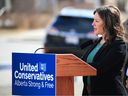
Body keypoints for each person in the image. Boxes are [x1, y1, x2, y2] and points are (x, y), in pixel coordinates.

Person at [81, 5, 127, 95]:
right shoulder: (97, 42)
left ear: (107, 23)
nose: (93, 24)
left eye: (97, 21)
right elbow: (83, 61)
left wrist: (80, 66)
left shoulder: (118, 45)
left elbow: (102, 67)